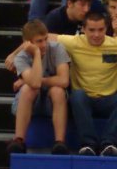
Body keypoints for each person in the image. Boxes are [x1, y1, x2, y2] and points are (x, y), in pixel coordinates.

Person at [52, 12, 117, 155]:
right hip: (83, 100)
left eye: (101, 30)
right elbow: (42, 37)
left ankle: (109, 143)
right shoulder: (74, 42)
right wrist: (18, 52)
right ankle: (88, 144)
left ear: (106, 28)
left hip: (110, 99)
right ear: (83, 29)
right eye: (92, 30)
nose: (96, 34)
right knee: (77, 95)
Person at [4, 19, 71, 155]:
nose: (44, 44)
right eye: (39, 41)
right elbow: (34, 84)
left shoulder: (57, 48)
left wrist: (27, 80)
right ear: (27, 43)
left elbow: (64, 81)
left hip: (52, 101)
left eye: (45, 39)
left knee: (57, 90)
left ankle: (59, 142)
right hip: (28, 102)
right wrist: (36, 54)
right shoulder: (21, 58)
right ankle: (19, 140)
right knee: (28, 89)